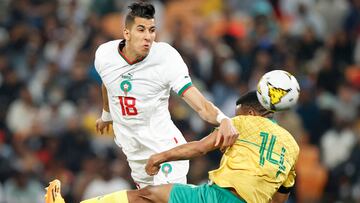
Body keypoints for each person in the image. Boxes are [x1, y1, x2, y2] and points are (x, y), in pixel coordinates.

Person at [46, 91, 300, 203]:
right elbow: (279, 199)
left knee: (146, 195)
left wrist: (161, 157)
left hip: (214, 198)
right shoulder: (292, 147)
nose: (234, 116)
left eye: (240, 111)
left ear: (253, 112)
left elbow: (200, 148)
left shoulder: (244, 123)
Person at [93, 2, 238, 188]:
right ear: (127, 33)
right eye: (141, 30)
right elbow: (108, 83)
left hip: (167, 150)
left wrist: (223, 119)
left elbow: (199, 104)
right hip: (136, 156)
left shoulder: (166, 58)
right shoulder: (105, 55)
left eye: (152, 30)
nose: (148, 37)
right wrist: (106, 114)